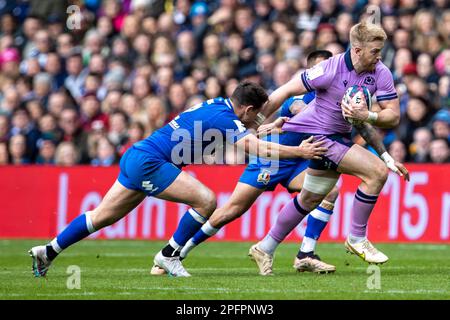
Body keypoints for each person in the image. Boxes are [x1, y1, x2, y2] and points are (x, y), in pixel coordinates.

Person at [29, 81, 327, 278]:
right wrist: (298, 150)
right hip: (152, 162)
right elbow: (255, 147)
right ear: (248, 109)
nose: (257, 119)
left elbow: (245, 135)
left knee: (101, 216)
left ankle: (49, 251)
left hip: (138, 154)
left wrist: (270, 126)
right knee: (207, 199)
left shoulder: (217, 106)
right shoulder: (226, 119)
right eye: (257, 115)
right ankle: (169, 255)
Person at [151, 50, 339, 275]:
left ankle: (306, 254)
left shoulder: (333, 97)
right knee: (232, 210)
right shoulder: (301, 97)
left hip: (297, 159)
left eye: (330, 68)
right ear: (310, 73)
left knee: (329, 191)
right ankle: (179, 252)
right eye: (321, 68)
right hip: (271, 159)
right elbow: (301, 110)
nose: (327, 73)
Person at [247, 22, 410, 275]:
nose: (379, 56)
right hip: (320, 138)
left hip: (338, 137)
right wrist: (255, 123)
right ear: (356, 50)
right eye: (374, 51)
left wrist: (370, 119)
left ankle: (265, 247)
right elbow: (286, 90)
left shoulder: (381, 72)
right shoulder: (329, 69)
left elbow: (393, 116)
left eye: (380, 50)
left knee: (310, 199)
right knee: (376, 173)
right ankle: (357, 238)